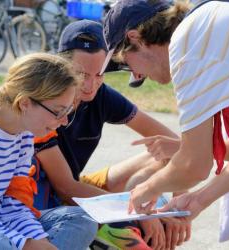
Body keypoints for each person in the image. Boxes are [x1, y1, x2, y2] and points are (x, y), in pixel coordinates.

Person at [100, 0, 229, 239]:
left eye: (126, 63)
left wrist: (145, 188)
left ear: (135, 38)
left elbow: (194, 165)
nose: (137, 75)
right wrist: (199, 199)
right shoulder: (212, 28)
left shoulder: (188, 45)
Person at [32, 19, 191, 250]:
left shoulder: (101, 95)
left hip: (78, 188)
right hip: (51, 198)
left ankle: (128, 221)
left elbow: (175, 145)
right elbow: (65, 188)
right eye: (80, 74)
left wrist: (176, 203)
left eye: (99, 74)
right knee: (137, 236)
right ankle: (114, 230)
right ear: (61, 66)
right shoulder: (46, 103)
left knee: (160, 157)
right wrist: (137, 211)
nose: (90, 85)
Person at [0, 53, 98, 250]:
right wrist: (27, 245)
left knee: (81, 219)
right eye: (59, 111)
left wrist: (38, 239)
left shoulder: (23, 133)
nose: (64, 121)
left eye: (68, 112)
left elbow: (13, 204)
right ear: (25, 103)